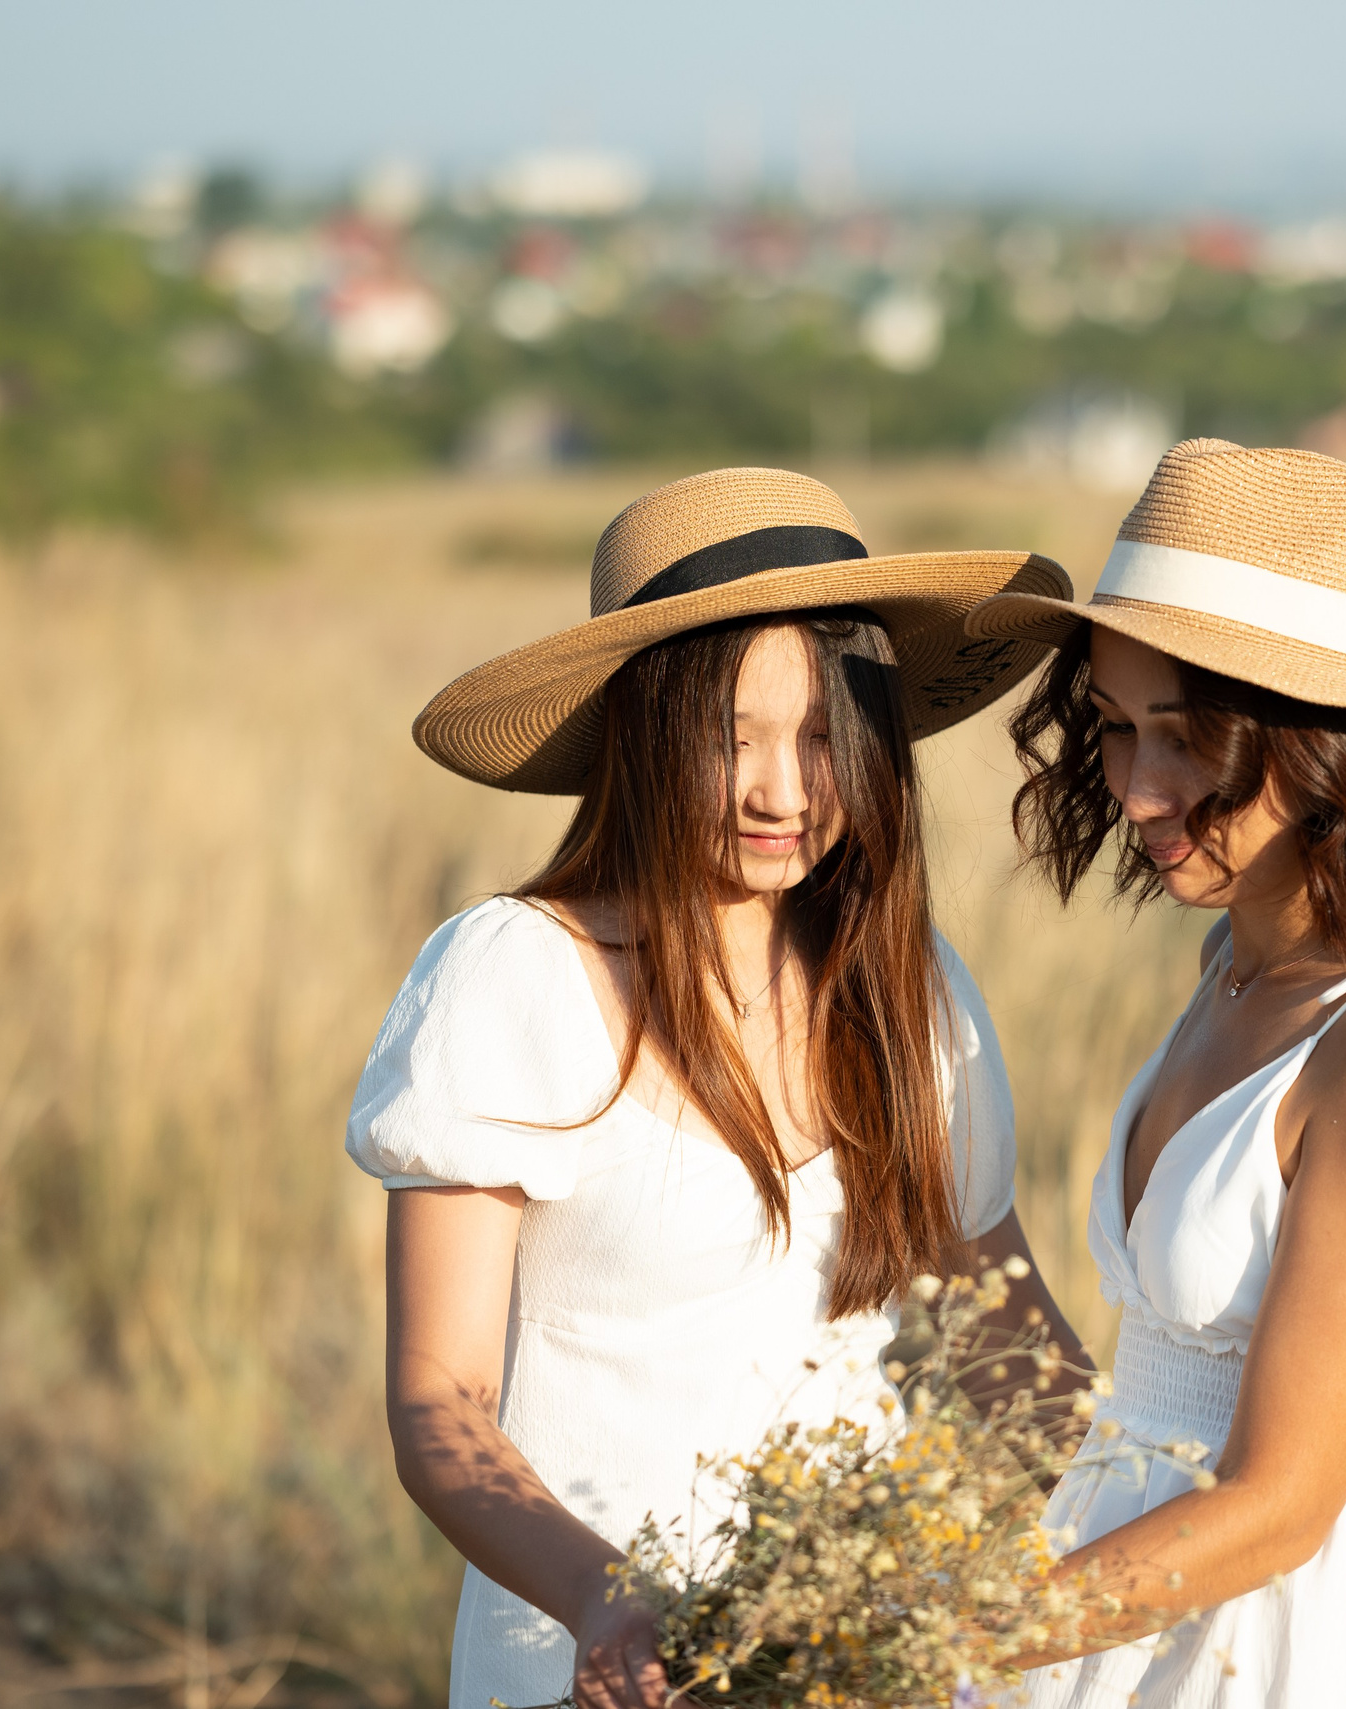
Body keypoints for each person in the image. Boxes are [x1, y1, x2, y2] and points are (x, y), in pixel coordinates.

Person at [345, 468, 1091, 1709]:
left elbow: (1008, 1349)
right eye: (729, 736)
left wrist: (1171, 1547)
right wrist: (608, 1595)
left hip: (862, 1659)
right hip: (592, 1664)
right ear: (639, 735)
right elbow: (439, 1400)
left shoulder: (907, 984)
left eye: (818, 736)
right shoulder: (516, 972)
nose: (780, 792)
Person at [967, 439, 1346, 1706]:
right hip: (1121, 1613)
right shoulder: (1235, 959)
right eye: (1114, 731)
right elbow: (1150, 1400)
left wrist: (930, 1643)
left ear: (1323, 739)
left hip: (1302, 1640)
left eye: (1188, 742)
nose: (1135, 792)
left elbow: (1278, 1504)